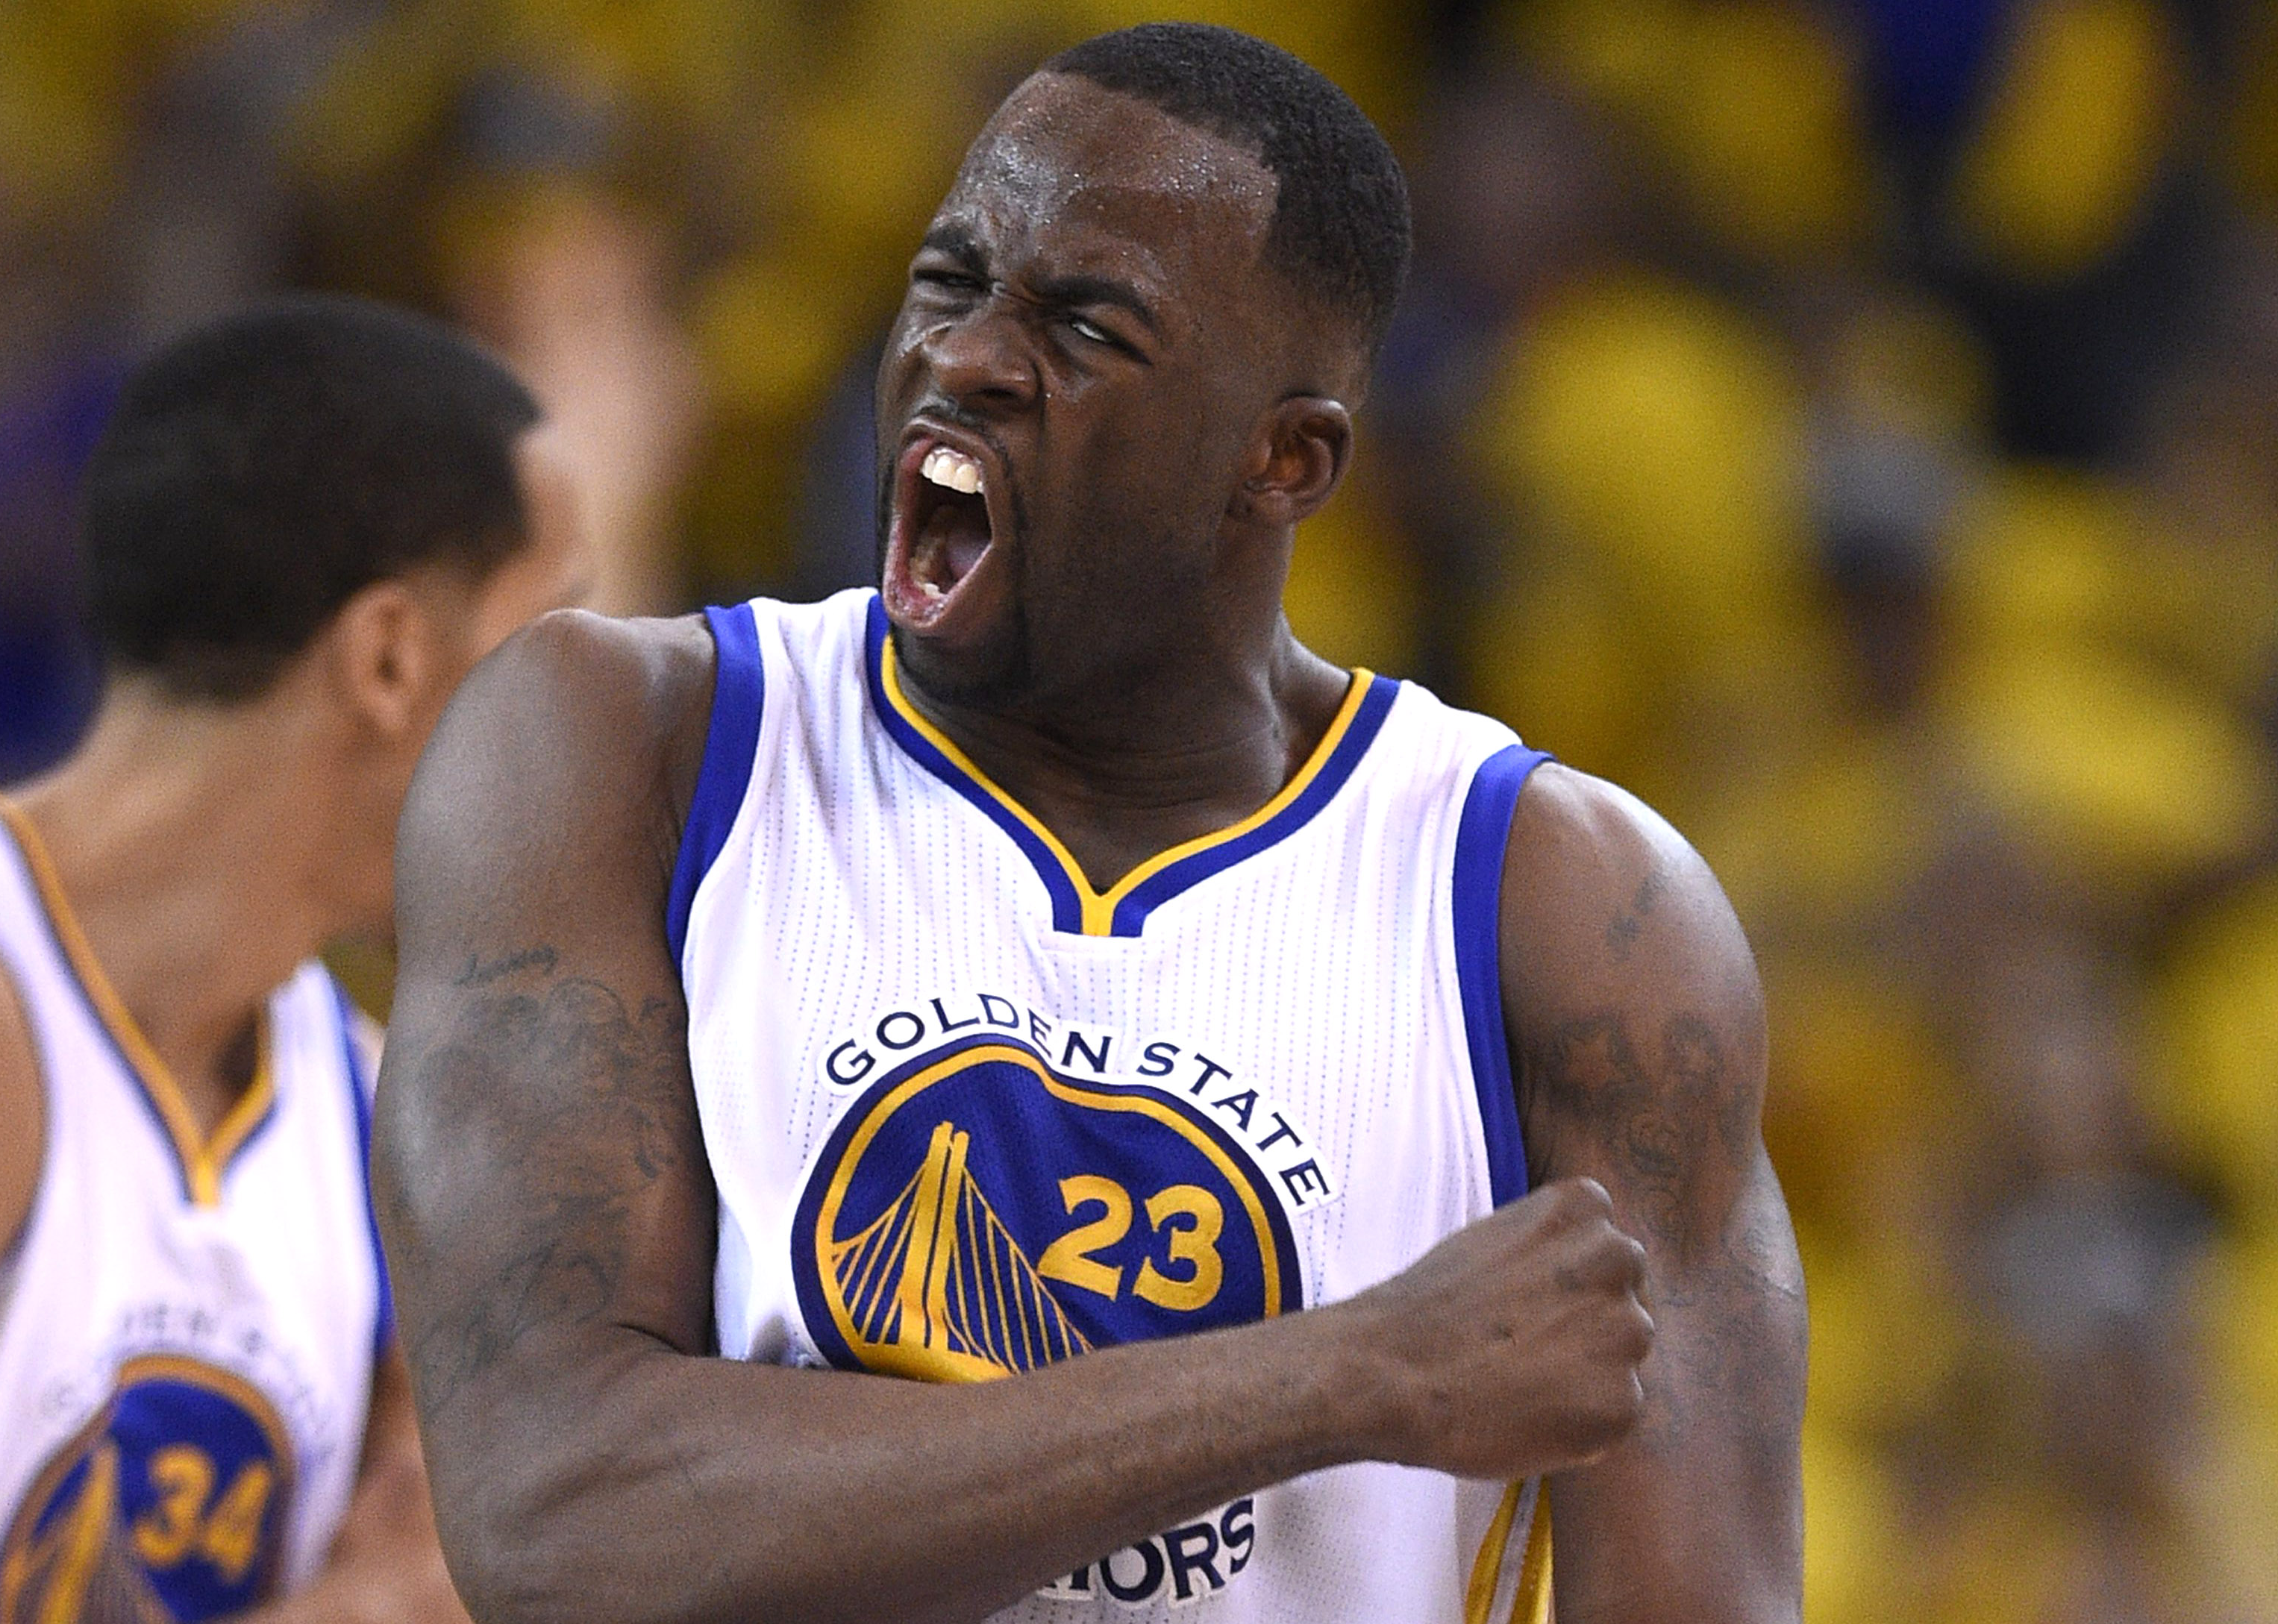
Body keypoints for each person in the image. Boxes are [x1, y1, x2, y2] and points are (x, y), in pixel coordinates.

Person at [378, 24, 1804, 1624]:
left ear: (1282, 458)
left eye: (1082, 325)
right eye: (948, 280)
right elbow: (557, 1519)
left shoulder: (1563, 913)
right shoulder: (624, 749)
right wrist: (1343, 1375)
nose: (967, 358)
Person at [0, 295, 586, 1621]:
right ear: (391, 656)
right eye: (561, 640)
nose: (596, 726)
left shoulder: (387, 1129)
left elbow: (466, 1582)